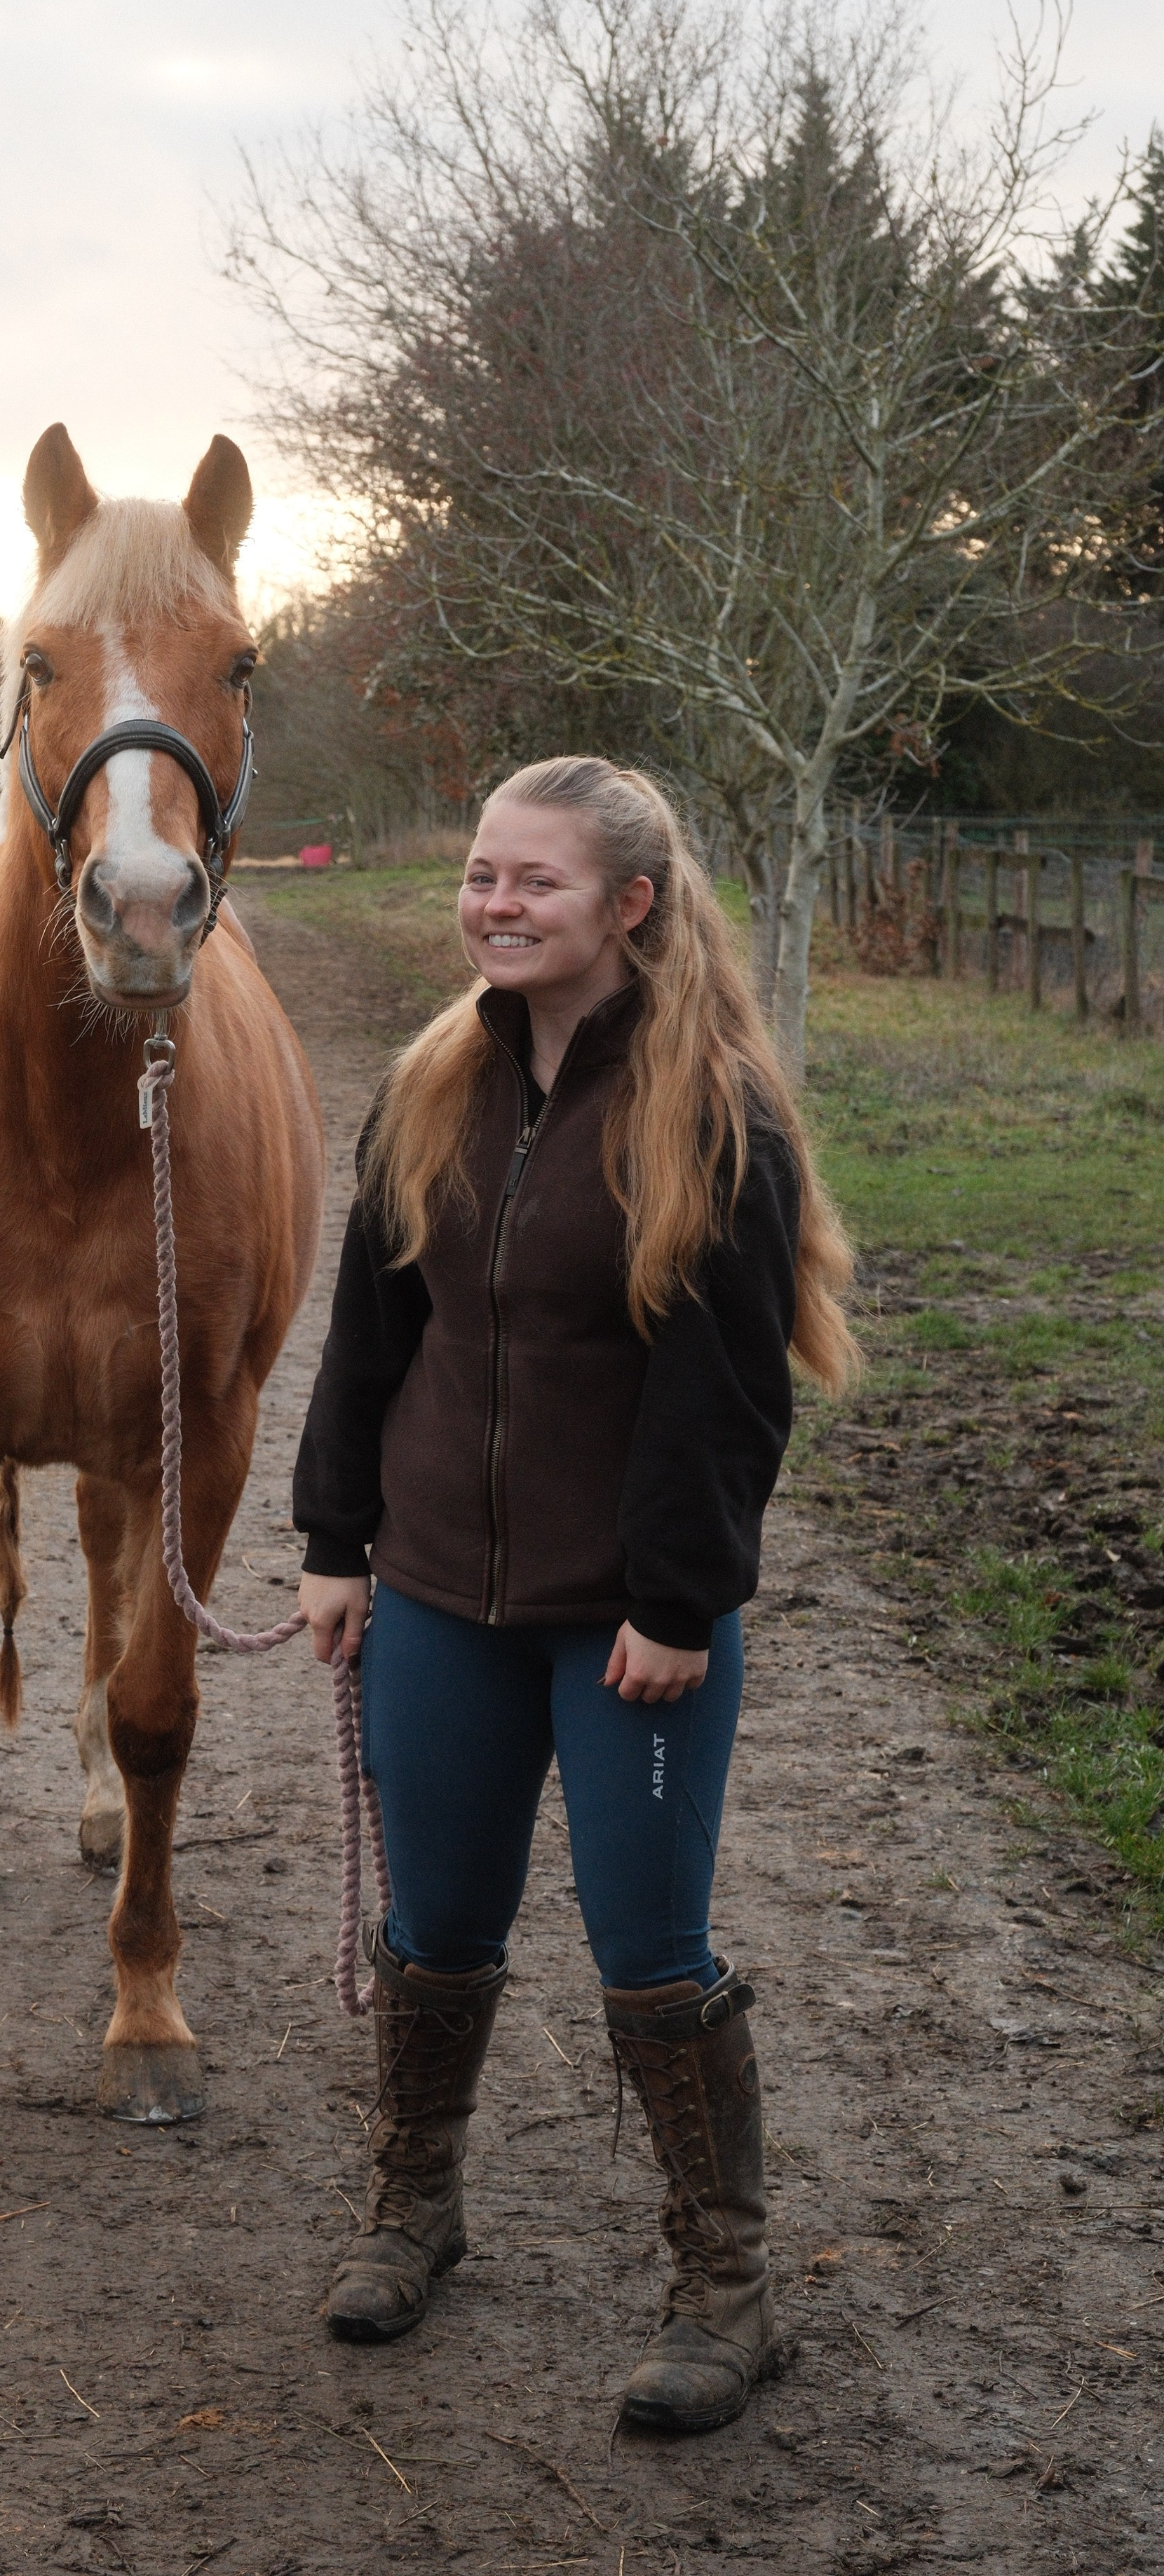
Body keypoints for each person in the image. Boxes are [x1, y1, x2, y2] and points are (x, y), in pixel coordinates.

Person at [293, 756, 855, 2434]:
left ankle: (725, 2294)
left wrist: (677, 1605)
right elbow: (367, 1341)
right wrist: (335, 1544)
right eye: (479, 874)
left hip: (627, 1629)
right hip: (436, 1606)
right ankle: (413, 2210)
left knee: (648, 1960)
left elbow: (727, 1396)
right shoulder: (428, 1085)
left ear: (627, 904)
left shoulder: (710, 1112)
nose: (493, 904)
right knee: (433, 1934)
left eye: (531, 881)